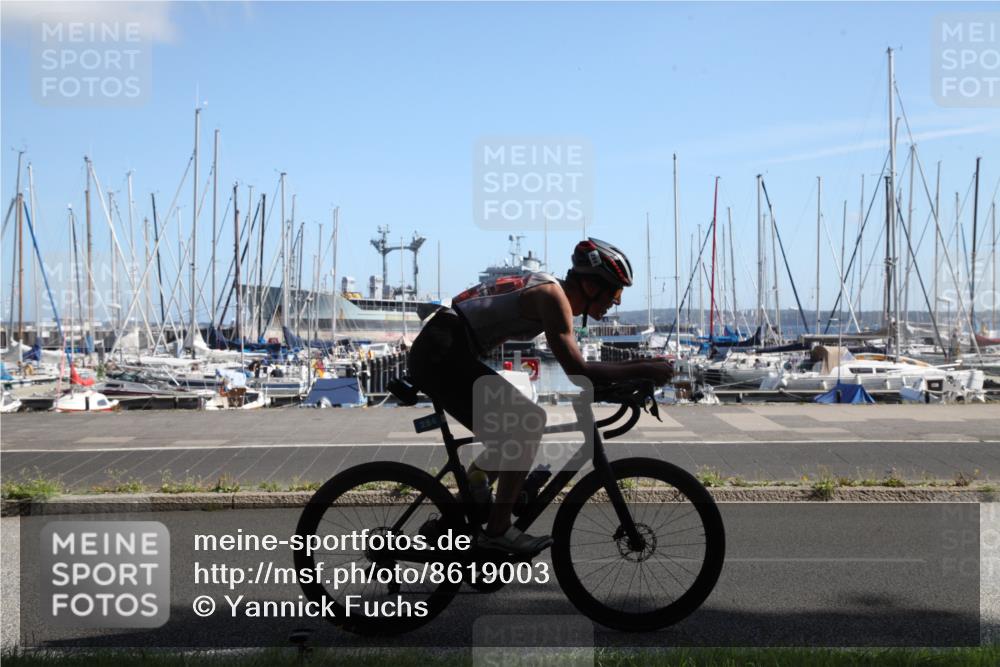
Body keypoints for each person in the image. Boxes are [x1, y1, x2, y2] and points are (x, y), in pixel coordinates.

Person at [408, 238, 673, 554]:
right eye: (615, 292)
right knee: (527, 423)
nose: (615, 302)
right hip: (442, 350)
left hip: (446, 347)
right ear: (591, 285)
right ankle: (497, 531)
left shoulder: (551, 291)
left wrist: (637, 368)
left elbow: (581, 369)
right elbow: (579, 370)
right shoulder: (552, 297)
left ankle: (472, 491)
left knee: (520, 427)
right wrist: (643, 368)